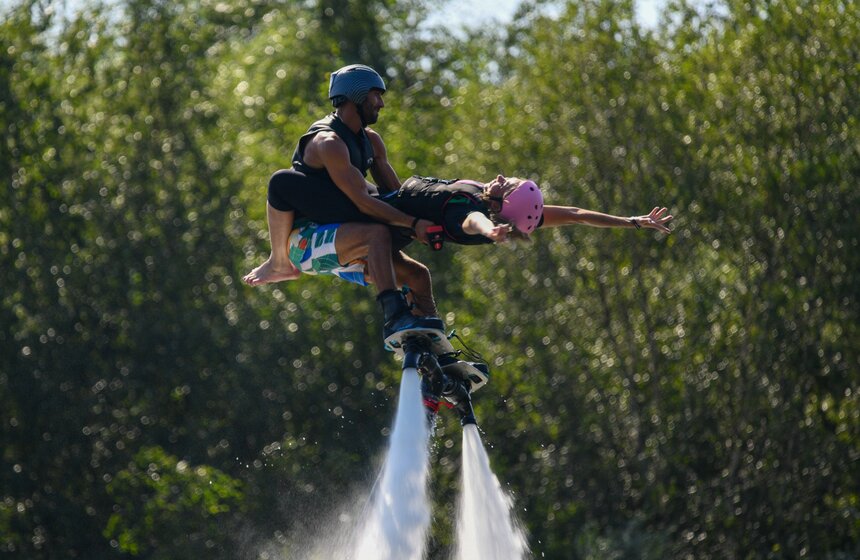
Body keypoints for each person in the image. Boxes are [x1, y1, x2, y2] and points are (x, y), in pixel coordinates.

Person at [268, 173, 673, 321]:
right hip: (368, 222)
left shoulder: (472, 209)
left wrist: (487, 232)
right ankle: (421, 326)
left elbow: (468, 220)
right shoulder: (496, 202)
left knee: (419, 278)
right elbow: (576, 213)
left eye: (507, 185)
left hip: (349, 238)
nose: (500, 176)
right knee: (373, 143)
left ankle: (423, 337)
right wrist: (633, 221)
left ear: (502, 207)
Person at [242, 64, 443, 341]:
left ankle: (435, 346)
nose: (382, 103)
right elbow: (362, 202)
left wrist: (435, 216)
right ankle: (395, 317)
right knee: (378, 234)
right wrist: (413, 224)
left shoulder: (371, 141)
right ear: (356, 96)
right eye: (376, 95)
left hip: (346, 235)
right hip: (305, 243)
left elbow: (398, 196)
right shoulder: (329, 142)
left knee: (418, 276)